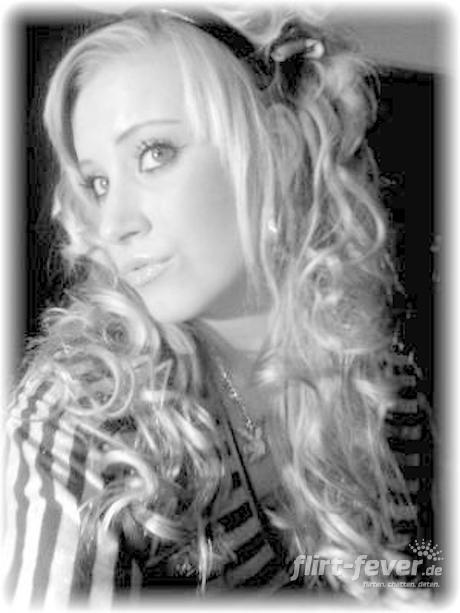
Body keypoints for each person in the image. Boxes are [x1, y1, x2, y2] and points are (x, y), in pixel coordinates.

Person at [3, 5, 433, 607]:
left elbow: (426, 569)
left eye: (154, 153)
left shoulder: (384, 386)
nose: (113, 222)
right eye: (98, 183)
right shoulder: (82, 417)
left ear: (278, 145)